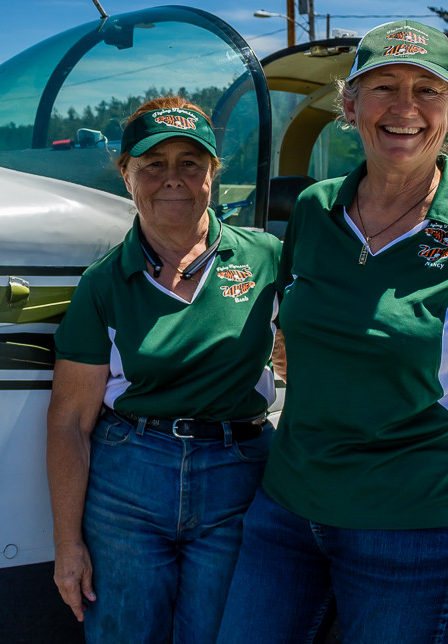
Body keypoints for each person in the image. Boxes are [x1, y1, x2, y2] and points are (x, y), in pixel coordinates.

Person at [219, 21, 448, 644]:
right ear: (350, 106)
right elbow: (306, 328)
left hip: (417, 535)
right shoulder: (314, 209)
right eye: (383, 86)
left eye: (427, 90)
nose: (404, 108)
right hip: (287, 511)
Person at [46, 96, 282, 643]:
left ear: (213, 174)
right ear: (126, 175)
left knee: (222, 634)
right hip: (129, 479)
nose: (172, 179)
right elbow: (70, 422)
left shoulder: (267, 259)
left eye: (190, 163)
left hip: (238, 473)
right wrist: (67, 546)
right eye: (153, 164)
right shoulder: (103, 283)